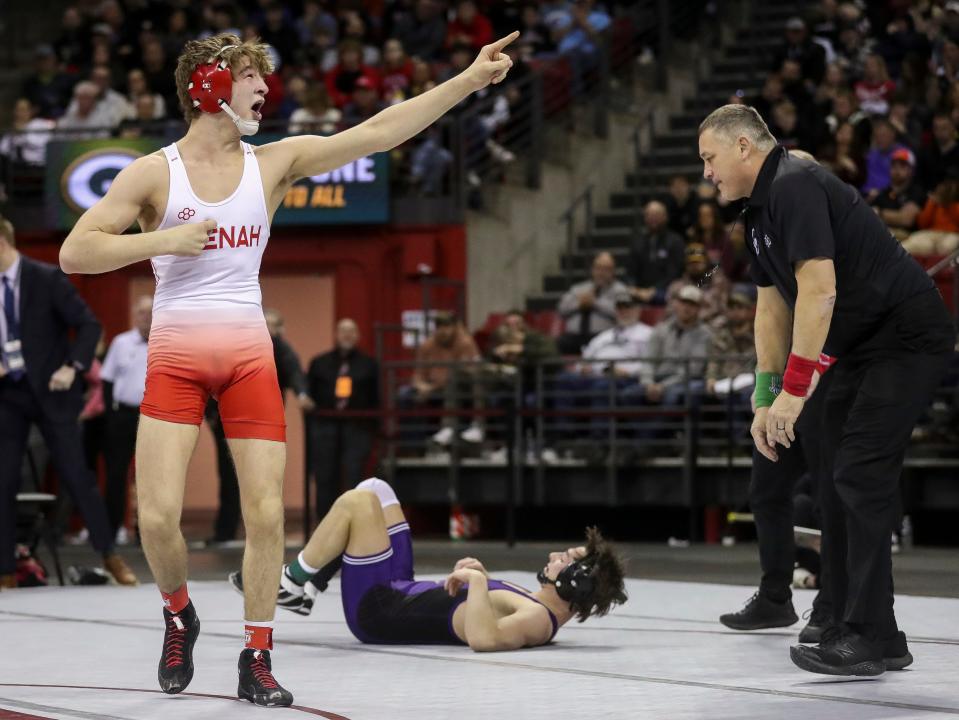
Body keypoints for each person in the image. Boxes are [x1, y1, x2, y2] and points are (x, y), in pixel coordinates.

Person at [57, 30, 519, 705]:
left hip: (247, 355)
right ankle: (178, 611)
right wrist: (163, 240)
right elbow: (76, 252)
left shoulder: (272, 163)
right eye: (252, 80)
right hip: (178, 356)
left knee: (267, 514)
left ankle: (257, 655)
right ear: (211, 85)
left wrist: (467, 83)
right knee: (155, 519)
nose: (265, 92)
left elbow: (380, 133)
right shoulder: (154, 173)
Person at [698, 105, 954, 676]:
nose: (707, 173)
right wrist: (765, 396)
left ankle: (862, 632)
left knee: (860, 472)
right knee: (837, 473)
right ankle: (869, 629)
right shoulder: (758, 210)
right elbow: (772, 307)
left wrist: (796, 388)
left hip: (904, 337)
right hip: (860, 344)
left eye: (709, 159)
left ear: (743, 147)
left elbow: (818, 289)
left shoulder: (793, 184)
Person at [230, 477, 627, 650]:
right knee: (375, 489)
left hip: (378, 609)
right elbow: (488, 615)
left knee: (358, 503)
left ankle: (294, 582)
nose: (557, 556)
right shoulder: (535, 606)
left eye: (567, 559)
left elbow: (484, 640)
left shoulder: (538, 620)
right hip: (399, 590)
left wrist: (476, 583)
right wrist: (481, 578)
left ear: (576, 583)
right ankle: (307, 587)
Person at [0, 217, 137, 589]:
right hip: (9, 395)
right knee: (4, 478)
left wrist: (72, 367)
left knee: (77, 475)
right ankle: (6, 571)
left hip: (53, 390)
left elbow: (89, 325)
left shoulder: (44, 278)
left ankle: (109, 554)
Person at [306, 318, 380, 522]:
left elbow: (377, 399)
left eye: (351, 331)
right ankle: (324, 526)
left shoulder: (369, 364)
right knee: (325, 477)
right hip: (325, 428)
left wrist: (374, 431)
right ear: (335, 335)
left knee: (354, 476)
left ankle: (355, 524)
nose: (347, 335)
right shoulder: (319, 363)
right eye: (343, 331)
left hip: (357, 427)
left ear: (358, 336)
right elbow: (309, 396)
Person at [100, 295, 152, 541]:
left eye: (151, 312)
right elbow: (107, 379)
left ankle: (148, 532)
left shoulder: (165, 341)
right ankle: (113, 529)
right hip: (122, 415)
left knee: (150, 476)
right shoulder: (121, 342)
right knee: (116, 473)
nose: (147, 317)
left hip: (151, 418)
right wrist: (111, 415)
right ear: (135, 315)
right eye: (142, 312)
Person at [557, 251, 629, 355]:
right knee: (555, 345)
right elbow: (561, 309)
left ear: (613, 271)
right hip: (573, 337)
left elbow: (623, 312)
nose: (601, 272)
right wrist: (579, 304)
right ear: (593, 269)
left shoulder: (620, 290)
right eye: (598, 268)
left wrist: (595, 303)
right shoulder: (579, 288)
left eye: (606, 269)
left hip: (602, 337)